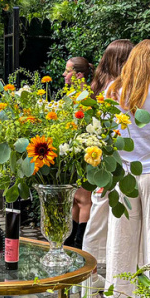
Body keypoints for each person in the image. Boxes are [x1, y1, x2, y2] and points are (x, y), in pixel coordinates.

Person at [105, 40, 150, 298]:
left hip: (123, 172)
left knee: (121, 234)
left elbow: (107, 135)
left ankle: (119, 295)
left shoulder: (113, 91)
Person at [83, 39, 134, 285]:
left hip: (102, 159)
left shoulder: (101, 85)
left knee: (99, 215)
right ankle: (90, 274)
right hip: (110, 161)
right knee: (101, 215)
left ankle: (92, 272)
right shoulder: (114, 89)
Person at [63, 56, 94, 248]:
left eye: (68, 71)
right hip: (73, 152)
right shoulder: (71, 95)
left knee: (83, 199)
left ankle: (81, 243)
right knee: (75, 199)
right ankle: (70, 243)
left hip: (86, 152)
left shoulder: (87, 97)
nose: (64, 74)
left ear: (79, 75)